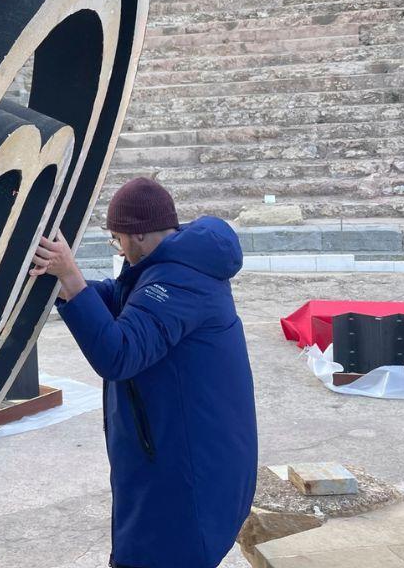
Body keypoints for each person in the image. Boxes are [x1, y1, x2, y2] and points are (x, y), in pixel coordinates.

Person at [31, 177, 257, 568]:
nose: (118, 249)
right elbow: (122, 301)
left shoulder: (179, 282)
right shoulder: (170, 268)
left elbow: (120, 354)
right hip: (172, 452)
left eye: (116, 239)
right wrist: (72, 284)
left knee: (162, 554)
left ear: (135, 237)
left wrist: (70, 277)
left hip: (187, 466)